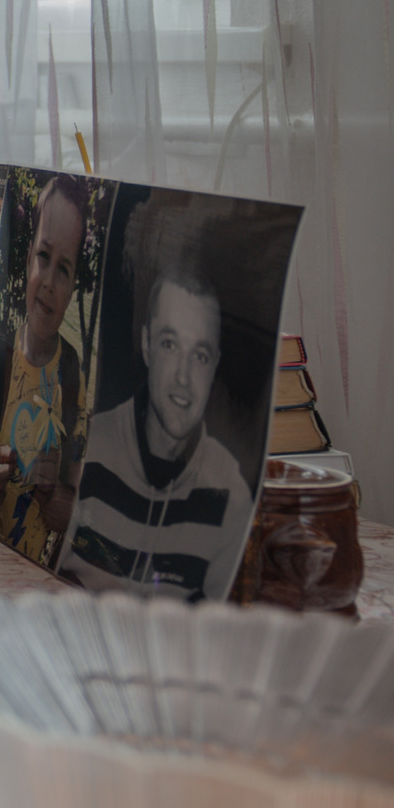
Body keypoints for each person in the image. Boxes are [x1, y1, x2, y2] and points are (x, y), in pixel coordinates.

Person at [58, 217, 255, 601]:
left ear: (215, 365)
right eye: (169, 344)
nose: (183, 377)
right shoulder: (88, 448)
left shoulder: (231, 494)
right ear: (147, 344)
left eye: (199, 355)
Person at [0, 176, 91, 564]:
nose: (48, 283)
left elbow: (79, 515)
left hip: (37, 586)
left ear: (74, 286)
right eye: (44, 256)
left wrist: (56, 497)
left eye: (64, 269)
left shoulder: (74, 380)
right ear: (28, 257)